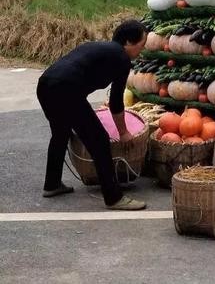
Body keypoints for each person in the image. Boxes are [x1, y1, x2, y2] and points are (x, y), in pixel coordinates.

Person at [36, 19, 148, 211]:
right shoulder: (121, 58)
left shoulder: (102, 48)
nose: (142, 50)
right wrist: (123, 132)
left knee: (61, 133)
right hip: (66, 89)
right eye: (141, 45)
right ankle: (114, 197)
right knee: (99, 141)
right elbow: (115, 102)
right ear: (129, 42)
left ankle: (52, 184)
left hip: (45, 85)